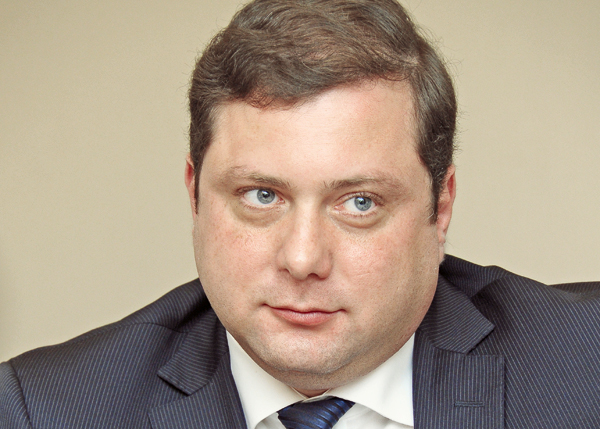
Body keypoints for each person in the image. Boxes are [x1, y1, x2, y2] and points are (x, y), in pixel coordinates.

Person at [1, 0, 599, 428]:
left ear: (439, 209)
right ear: (195, 194)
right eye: (262, 196)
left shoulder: (586, 368)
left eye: (360, 203)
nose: (303, 258)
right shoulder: (43, 411)